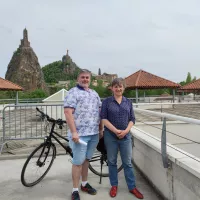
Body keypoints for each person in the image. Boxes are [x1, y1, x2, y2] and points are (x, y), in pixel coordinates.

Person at [100, 78, 144, 199]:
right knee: (112, 162)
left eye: (120, 87)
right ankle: (114, 186)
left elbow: (132, 119)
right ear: (112, 88)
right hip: (110, 136)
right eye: (116, 86)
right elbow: (103, 118)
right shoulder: (107, 102)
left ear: (123, 88)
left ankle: (132, 187)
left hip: (125, 136)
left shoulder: (128, 102)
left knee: (127, 163)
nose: (118, 89)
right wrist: (115, 130)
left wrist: (125, 131)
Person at [64, 70, 103, 200]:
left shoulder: (94, 93)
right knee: (78, 162)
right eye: (82, 77)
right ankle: (75, 190)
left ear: (90, 79)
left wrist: (101, 129)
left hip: (94, 134)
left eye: (87, 77)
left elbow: (99, 112)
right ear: (78, 79)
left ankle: (84, 184)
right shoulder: (73, 92)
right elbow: (68, 113)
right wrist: (74, 132)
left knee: (86, 160)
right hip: (80, 136)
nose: (85, 79)